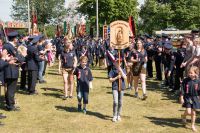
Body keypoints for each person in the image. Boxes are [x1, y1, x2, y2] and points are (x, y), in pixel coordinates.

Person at [3, 31, 26, 111]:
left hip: (9, 68)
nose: (17, 39)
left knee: (9, 88)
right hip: (11, 69)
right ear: (14, 39)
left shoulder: (7, 45)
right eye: (16, 38)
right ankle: (10, 106)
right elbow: (19, 57)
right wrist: (22, 56)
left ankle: (9, 104)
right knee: (11, 89)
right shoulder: (9, 46)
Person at [180, 66, 200, 132]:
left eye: (191, 73)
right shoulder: (186, 80)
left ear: (195, 73)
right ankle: (183, 115)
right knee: (188, 112)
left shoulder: (198, 81)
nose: (190, 74)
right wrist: (182, 97)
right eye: (189, 73)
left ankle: (192, 126)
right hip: (187, 97)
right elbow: (182, 89)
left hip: (195, 97)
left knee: (193, 113)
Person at [109, 55, 126, 122]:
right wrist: (116, 77)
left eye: (120, 62)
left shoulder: (123, 69)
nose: (119, 63)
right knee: (115, 102)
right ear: (115, 63)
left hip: (122, 87)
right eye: (117, 62)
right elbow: (110, 80)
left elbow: (125, 77)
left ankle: (119, 115)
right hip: (115, 87)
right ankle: (114, 115)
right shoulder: (112, 70)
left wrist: (120, 71)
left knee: (120, 102)